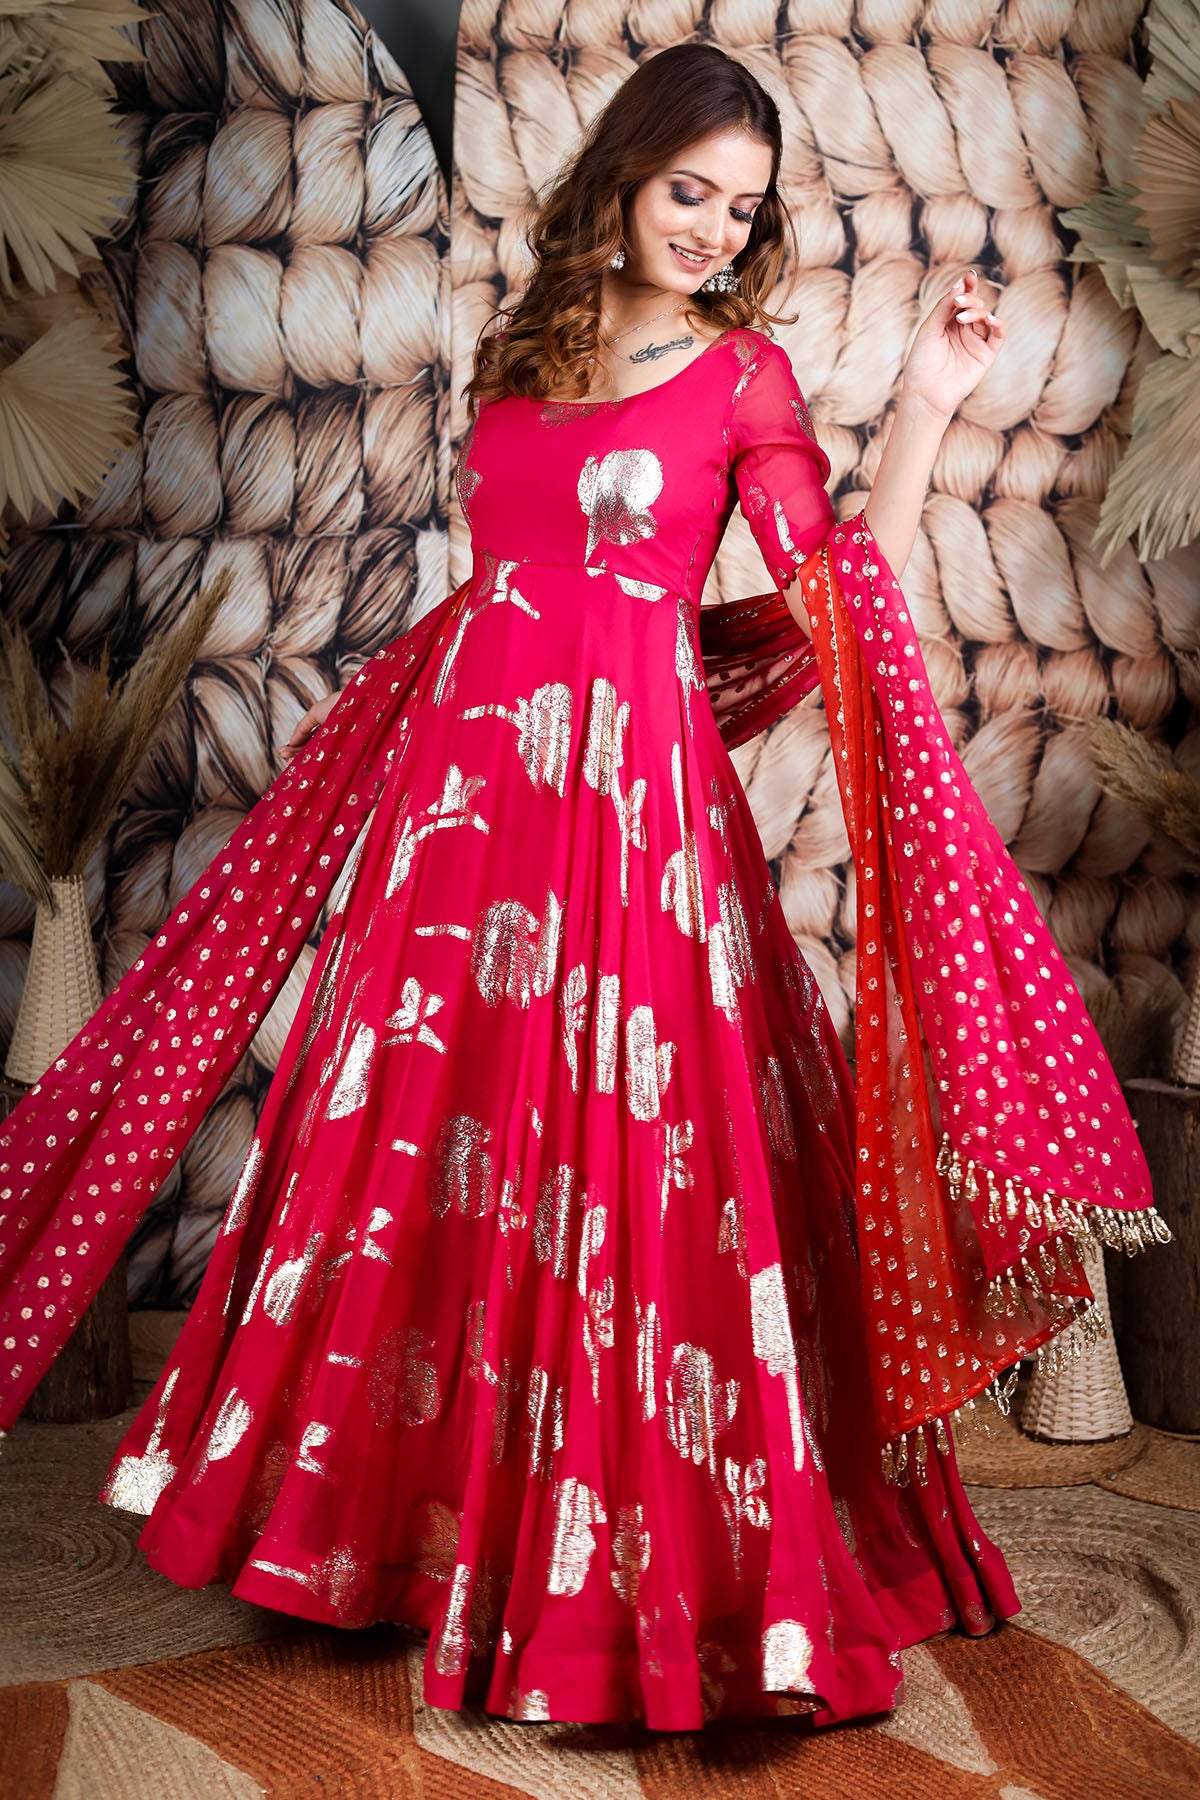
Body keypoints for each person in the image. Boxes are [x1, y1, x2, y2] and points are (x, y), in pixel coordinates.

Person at [0, 43, 1169, 1732]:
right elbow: (497, 594)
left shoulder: (743, 378)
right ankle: (402, 1544)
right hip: (462, 821)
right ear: (622, 177)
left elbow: (836, 584)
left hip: (633, 832)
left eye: (741, 206)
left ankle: (627, 1579)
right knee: (434, 1152)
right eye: (686, 189)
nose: (709, 226)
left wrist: (925, 401)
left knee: (633, 1173)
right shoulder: (520, 358)